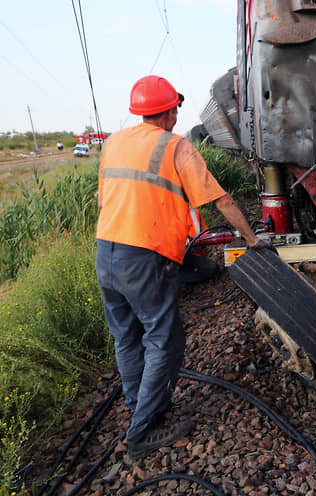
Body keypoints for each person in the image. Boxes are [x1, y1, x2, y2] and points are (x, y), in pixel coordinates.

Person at [95, 75, 272, 460]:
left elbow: (104, 201)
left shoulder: (114, 142)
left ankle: (139, 404)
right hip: (142, 259)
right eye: (175, 107)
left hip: (105, 253)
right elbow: (221, 201)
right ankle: (142, 432)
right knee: (165, 339)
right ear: (171, 111)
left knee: (126, 336)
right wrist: (255, 242)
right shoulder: (176, 147)